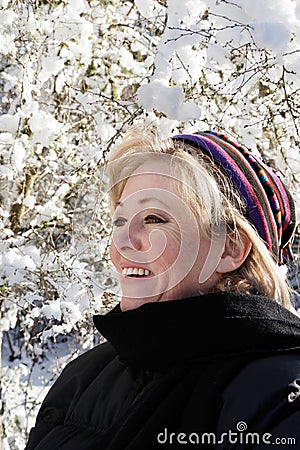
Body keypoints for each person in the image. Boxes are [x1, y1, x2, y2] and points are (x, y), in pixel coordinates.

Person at [25, 128, 300, 449]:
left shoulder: (282, 397)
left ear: (229, 248)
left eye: (155, 218)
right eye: (119, 221)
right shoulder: (83, 377)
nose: (122, 244)